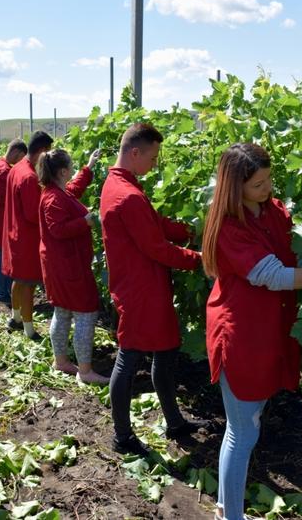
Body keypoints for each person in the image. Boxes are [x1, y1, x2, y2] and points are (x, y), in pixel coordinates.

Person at [201, 143, 302, 520]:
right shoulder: (231, 227)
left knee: (251, 423)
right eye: (258, 184)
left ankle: (227, 506)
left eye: (269, 179)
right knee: (242, 433)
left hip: (268, 330)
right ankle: (230, 515)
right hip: (242, 335)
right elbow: (274, 276)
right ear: (236, 187)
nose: (268, 188)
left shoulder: (272, 210)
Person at [99, 123, 203, 456]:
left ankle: (174, 422)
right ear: (134, 153)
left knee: (166, 349)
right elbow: (156, 247)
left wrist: (189, 231)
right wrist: (200, 259)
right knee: (128, 358)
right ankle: (122, 436)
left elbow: (156, 225)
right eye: (153, 157)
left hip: (146, 285)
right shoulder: (126, 195)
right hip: (140, 289)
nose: (155, 164)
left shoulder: (122, 185)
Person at [37, 148, 111, 385]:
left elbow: (74, 189)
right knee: (86, 313)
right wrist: (86, 222)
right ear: (62, 171)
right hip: (68, 266)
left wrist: (88, 167)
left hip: (60, 265)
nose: (73, 169)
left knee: (63, 311)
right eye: (72, 166)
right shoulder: (53, 199)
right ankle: (85, 371)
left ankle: (61, 361)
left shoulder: (57, 192)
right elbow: (58, 230)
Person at [1, 131, 53, 341]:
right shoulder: (30, 177)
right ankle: (29, 330)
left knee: (18, 280)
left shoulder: (17, 169)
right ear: (40, 151)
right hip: (27, 238)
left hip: (15, 234)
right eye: (47, 153)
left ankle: (15, 318)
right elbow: (33, 214)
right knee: (29, 284)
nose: (47, 158)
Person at [0, 140, 28, 305]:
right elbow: (1, 197)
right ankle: (3, 293)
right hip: (2, 222)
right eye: (22, 157)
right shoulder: (4, 170)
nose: (21, 162)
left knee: (2, 256)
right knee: (5, 257)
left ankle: (3, 291)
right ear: (16, 151)